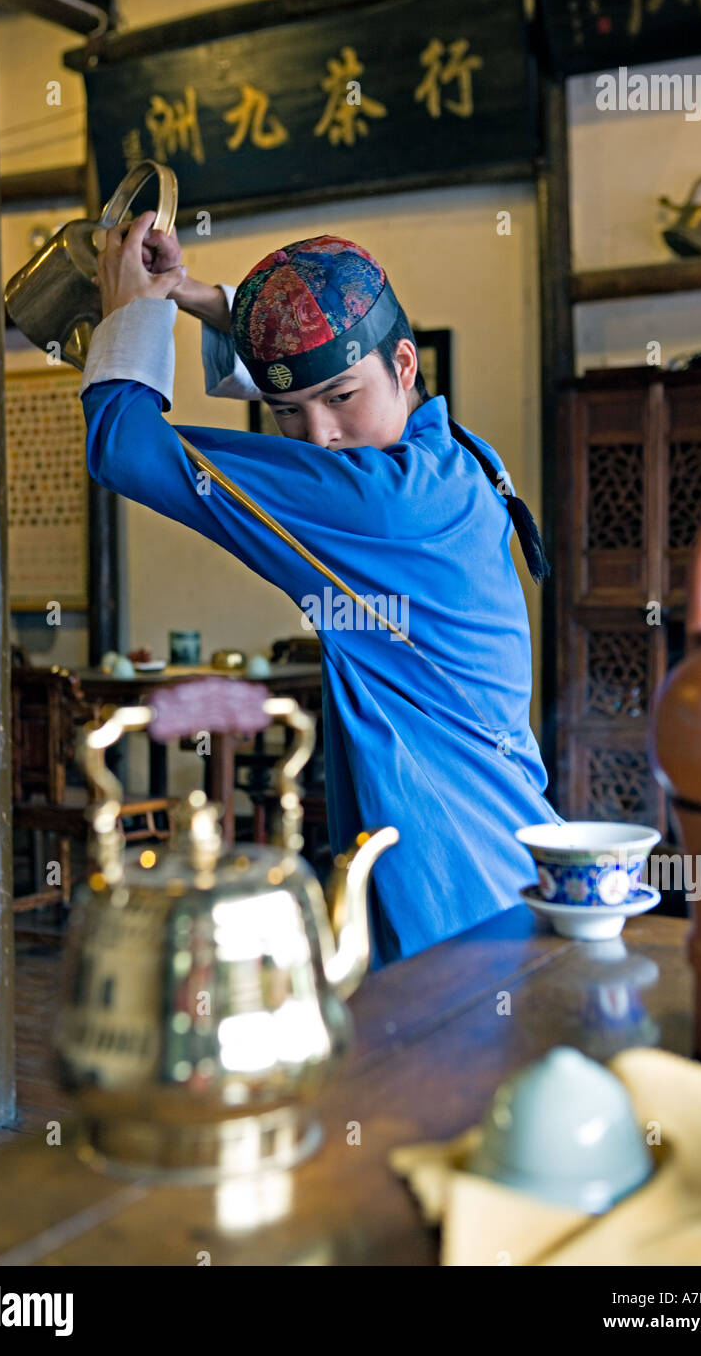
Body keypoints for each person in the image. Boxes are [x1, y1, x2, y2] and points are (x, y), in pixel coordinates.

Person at [80, 213, 562, 967]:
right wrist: (194, 296)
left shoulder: (377, 504)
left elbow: (124, 446)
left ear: (405, 364)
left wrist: (130, 310)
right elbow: (322, 386)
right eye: (284, 413)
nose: (318, 437)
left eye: (341, 397)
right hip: (509, 856)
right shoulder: (455, 458)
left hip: (447, 882)